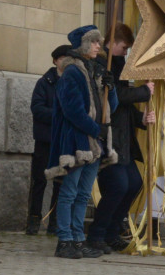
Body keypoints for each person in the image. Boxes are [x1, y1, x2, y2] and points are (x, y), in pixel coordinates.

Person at [46, 25, 117, 259]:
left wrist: (111, 87)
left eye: (99, 42)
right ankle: (64, 239)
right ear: (84, 45)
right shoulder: (72, 72)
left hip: (94, 141)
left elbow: (110, 106)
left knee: (84, 193)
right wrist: (97, 129)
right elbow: (72, 111)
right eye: (95, 42)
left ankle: (78, 239)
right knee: (69, 191)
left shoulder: (93, 69)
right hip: (77, 140)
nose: (99, 46)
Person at [83, 25, 155, 257]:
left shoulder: (119, 65)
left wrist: (141, 118)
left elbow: (125, 108)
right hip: (109, 137)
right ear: (112, 42)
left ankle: (112, 232)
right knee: (117, 185)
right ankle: (97, 234)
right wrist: (143, 92)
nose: (125, 52)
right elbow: (114, 97)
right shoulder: (102, 65)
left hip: (124, 139)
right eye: (124, 47)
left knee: (134, 183)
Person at [26, 44, 71, 235]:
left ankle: (54, 222)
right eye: (64, 59)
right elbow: (37, 108)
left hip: (63, 141)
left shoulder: (71, 83)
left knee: (60, 184)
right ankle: (34, 220)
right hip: (45, 140)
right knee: (40, 181)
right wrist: (58, 115)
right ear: (56, 61)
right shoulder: (45, 82)